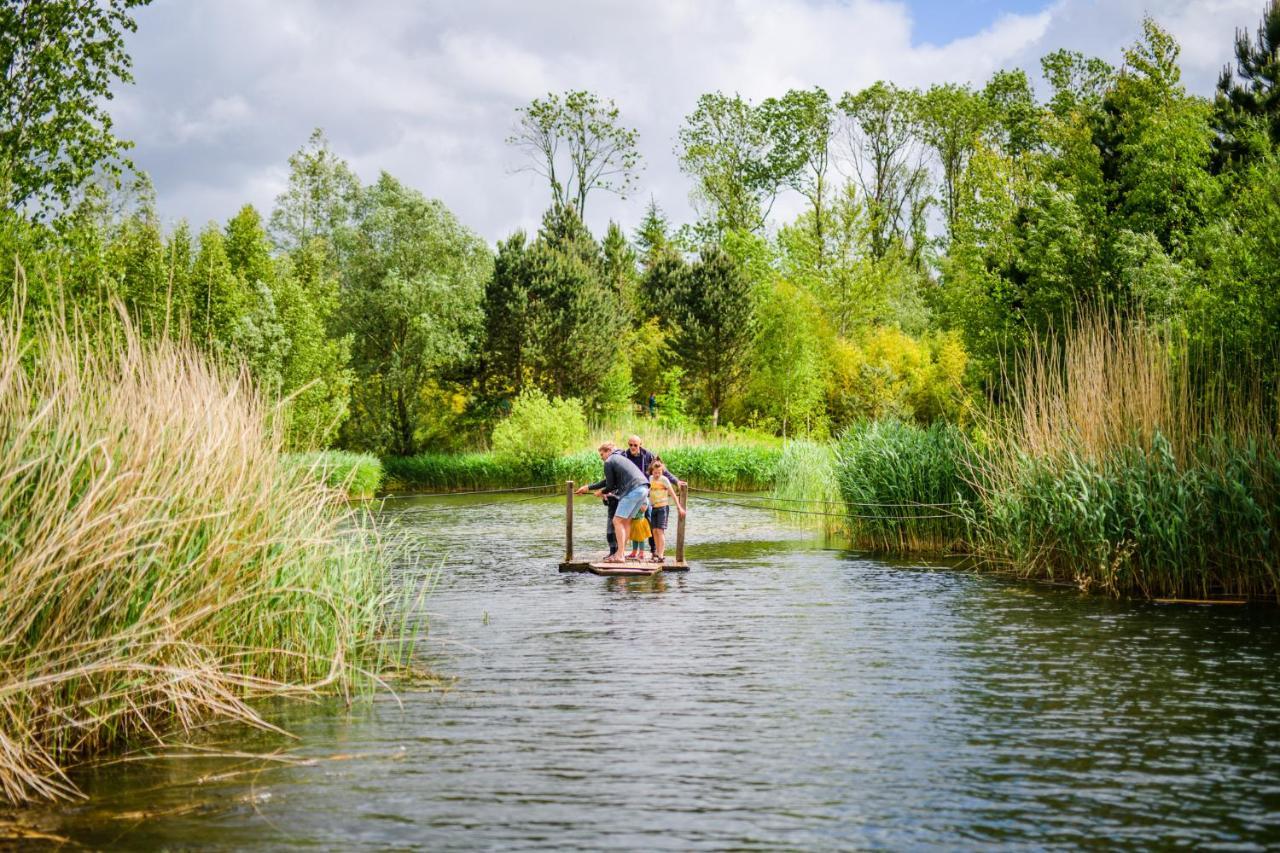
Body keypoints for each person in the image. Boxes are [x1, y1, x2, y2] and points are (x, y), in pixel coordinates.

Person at [576, 441, 649, 563]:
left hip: (633, 490)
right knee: (626, 521)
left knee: (617, 521)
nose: (602, 458)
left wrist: (601, 492)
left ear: (608, 451)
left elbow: (610, 485)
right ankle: (620, 554)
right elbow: (608, 481)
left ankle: (619, 555)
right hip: (644, 488)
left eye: (602, 454)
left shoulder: (610, 461)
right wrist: (588, 487)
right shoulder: (619, 458)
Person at [647, 458, 685, 562]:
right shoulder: (650, 479)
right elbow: (647, 492)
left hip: (663, 508)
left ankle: (661, 555)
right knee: (654, 531)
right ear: (652, 471)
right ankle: (657, 554)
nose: (657, 474)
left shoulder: (664, 480)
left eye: (659, 472)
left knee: (660, 531)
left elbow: (673, 494)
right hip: (653, 508)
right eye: (655, 472)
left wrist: (679, 507)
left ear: (662, 471)